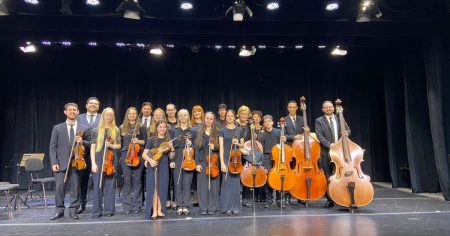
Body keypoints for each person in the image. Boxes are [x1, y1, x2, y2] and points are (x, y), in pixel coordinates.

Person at [49, 103, 89, 220]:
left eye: (74, 110)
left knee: (75, 188)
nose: (72, 111)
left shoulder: (84, 128)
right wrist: (53, 162)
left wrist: (82, 141)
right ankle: (59, 210)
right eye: (70, 110)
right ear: (65, 112)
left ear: (77, 112)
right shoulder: (57, 128)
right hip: (61, 162)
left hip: (77, 162)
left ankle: (73, 210)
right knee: (59, 188)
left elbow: (90, 144)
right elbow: (53, 147)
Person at [315, 100, 351, 208]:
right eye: (326, 107)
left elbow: (348, 129)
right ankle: (330, 199)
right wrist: (330, 145)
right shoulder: (319, 120)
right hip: (326, 151)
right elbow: (319, 135)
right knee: (328, 175)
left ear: (333, 108)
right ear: (323, 109)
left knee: (341, 174)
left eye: (330, 107)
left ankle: (343, 196)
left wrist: (346, 133)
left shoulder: (339, 117)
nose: (328, 109)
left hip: (340, 151)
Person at [90, 107, 121, 217]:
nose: (109, 117)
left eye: (111, 115)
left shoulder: (116, 130)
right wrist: (93, 163)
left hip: (111, 160)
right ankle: (97, 211)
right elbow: (92, 147)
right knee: (98, 186)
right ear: (103, 116)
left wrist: (112, 145)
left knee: (110, 186)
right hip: (98, 159)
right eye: (107, 115)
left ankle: (109, 210)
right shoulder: (96, 130)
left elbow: (119, 145)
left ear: (113, 117)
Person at [142, 121, 175, 220]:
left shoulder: (168, 140)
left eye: (164, 127)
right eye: (160, 127)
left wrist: (172, 148)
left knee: (162, 188)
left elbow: (171, 156)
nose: (162, 129)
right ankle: (154, 211)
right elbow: (144, 154)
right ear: (157, 128)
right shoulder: (151, 140)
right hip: (153, 165)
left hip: (164, 166)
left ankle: (160, 210)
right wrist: (150, 161)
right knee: (154, 189)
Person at [119, 107, 147, 214]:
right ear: (127, 115)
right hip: (126, 155)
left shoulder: (142, 127)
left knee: (137, 181)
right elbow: (120, 144)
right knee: (127, 181)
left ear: (136, 115)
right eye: (130, 113)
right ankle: (126, 206)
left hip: (138, 155)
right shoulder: (122, 127)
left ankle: (137, 205)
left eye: (134, 113)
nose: (132, 115)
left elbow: (146, 142)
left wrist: (138, 141)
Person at [76, 97, 100, 214]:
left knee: (98, 179)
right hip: (82, 152)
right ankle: (81, 203)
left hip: (97, 153)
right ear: (86, 105)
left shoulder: (102, 118)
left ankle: (98, 204)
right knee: (82, 180)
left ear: (98, 106)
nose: (93, 105)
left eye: (95, 104)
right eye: (91, 103)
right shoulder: (78, 118)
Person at [219, 109, 244, 215]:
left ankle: (235, 207)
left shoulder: (239, 130)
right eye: (227, 116)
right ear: (225, 117)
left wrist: (237, 143)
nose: (229, 118)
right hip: (226, 158)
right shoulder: (222, 130)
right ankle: (226, 207)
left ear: (235, 117)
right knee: (226, 184)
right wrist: (222, 163)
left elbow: (242, 145)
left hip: (235, 159)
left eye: (231, 116)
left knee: (235, 184)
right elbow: (221, 148)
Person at [194, 112, 220, 215]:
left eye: (211, 119)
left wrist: (215, 147)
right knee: (202, 186)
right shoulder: (199, 132)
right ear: (204, 119)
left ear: (214, 120)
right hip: (202, 162)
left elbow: (222, 148)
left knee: (214, 186)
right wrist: (197, 163)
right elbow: (196, 149)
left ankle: (212, 207)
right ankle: (203, 208)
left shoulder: (218, 132)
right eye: (207, 118)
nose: (208, 120)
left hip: (214, 162)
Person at [171, 109, 195, 215]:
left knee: (187, 182)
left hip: (188, 157)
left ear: (188, 117)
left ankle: (185, 205)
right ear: (178, 117)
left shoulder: (193, 130)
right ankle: (179, 204)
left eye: (185, 115)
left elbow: (197, 146)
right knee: (177, 182)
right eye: (181, 115)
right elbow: (170, 146)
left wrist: (191, 144)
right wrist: (171, 160)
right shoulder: (174, 130)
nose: (183, 117)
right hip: (177, 156)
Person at [259, 115, 284, 208]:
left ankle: (279, 199)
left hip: (278, 157)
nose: (267, 123)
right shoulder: (262, 135)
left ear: (272, 122)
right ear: (264, 124)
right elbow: (261, 150)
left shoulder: (279, 132)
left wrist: (284, 140)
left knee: (279, 178)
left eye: (269, 121)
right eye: (265, 122)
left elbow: (283, 145)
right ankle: (269, 199)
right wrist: (262, 163)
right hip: (267, 157)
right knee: (268, 179)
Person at [283, 100, 304, 206]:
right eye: (290, 107)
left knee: (301, 174)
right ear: (288, 108)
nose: (291, 109)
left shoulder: (302, 119)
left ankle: (301, 196)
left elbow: (305, 133)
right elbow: (283, 136)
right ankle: (287, 197)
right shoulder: (284, 120)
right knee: (289, 173)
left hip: (301, 151)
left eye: (293, 107)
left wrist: (307, 131)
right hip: (290, 150)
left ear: (297, 108)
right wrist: (294, 137)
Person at [236, 105, 252, 207]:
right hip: (237, 152)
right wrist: (240, 148)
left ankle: (246, 199)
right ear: (238, 114)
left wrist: (253, 130)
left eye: (246, 114)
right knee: (236, 175)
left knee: (247, 175)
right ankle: (236, 198)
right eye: (242, 113)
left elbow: (254, 139)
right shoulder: (234, 123)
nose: (244, 115)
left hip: (247, 152)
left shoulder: (250, 125)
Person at [165, 103, 177, 209]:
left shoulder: (178, 123)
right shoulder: (165, 124)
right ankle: (168, 199)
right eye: (168, 110)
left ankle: (176, 200)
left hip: (176, 152)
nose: (170, 111)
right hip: (166, 153)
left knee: (176, 177)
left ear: (175, 110)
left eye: (172, 109)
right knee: (167, 178)